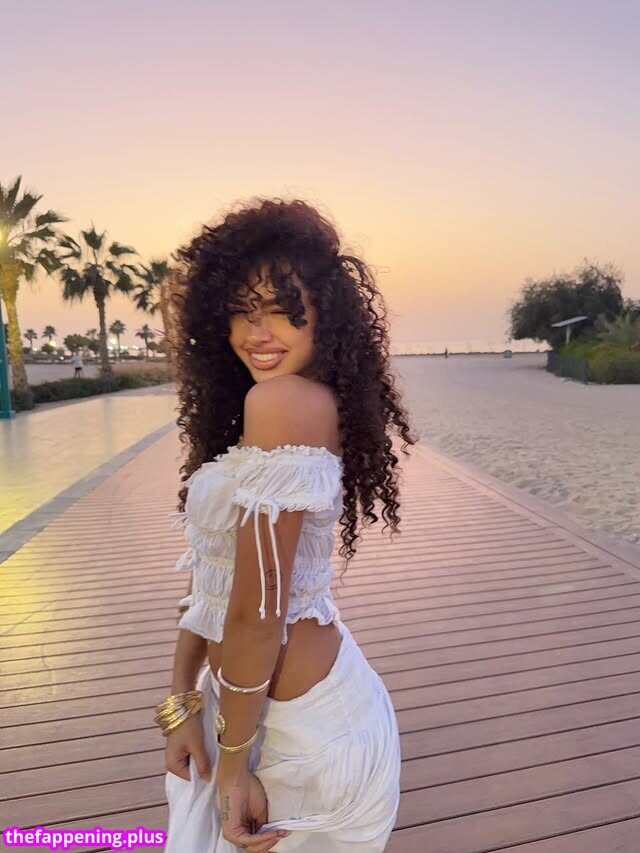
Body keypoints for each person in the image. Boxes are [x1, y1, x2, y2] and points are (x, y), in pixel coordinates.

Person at [161, 198, 419, 852]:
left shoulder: (283, 401)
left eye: (280, 308)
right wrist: (183, 702)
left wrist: (234, 766)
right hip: (247, 715)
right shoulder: (270, 406)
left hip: (296, 739)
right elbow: (213, 581)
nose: (257, 331)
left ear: (323, 312)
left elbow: (259, 610)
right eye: (240, 311)